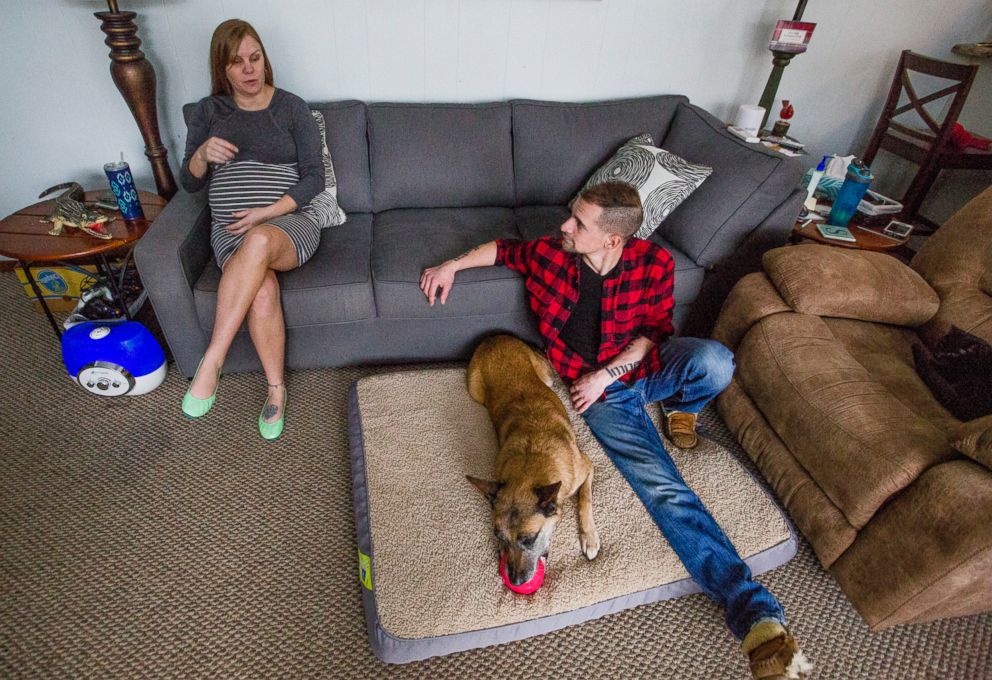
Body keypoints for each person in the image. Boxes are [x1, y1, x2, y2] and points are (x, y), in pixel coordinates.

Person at [419, 182, 812, 679]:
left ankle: (682, 405)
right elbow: (503, 250)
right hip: (599, 398)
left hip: (632, 372)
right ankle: (757, 618)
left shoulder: (654, 265)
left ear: (612, 240)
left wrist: (607, 371)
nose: (565, 226)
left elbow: (654, 334)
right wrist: (452, 265)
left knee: (716, 362)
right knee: (663, 487)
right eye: (571, 217)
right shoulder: (551, 254)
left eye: (579, 224)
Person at [179, 19, 332, 440]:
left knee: (260, 239)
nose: (249, 69)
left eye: (255, 58)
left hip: (286, 223)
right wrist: (201, 155)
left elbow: (314, 178)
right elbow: (189, 183)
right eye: (237, 62)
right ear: (222, 69)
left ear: (265, 59)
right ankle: (276, 390)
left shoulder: (290, 107)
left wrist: (267, 212)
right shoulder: (209, 112)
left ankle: (211, 361)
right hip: (231, 235)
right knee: (261, 289)